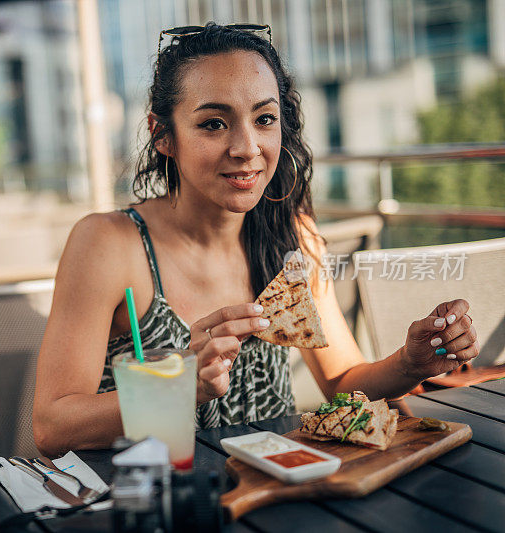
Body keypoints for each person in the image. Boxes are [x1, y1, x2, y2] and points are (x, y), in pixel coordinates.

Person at [32, 23, 478, 456]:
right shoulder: (110, 243)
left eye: (264, 118)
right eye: (213, 124)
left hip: (281, 486)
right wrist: (180, 386)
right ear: (162, 135)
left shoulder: (290, 232)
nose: (247, 147)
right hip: (157, 499)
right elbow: (52, 426)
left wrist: (410, 363)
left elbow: (342, 380)